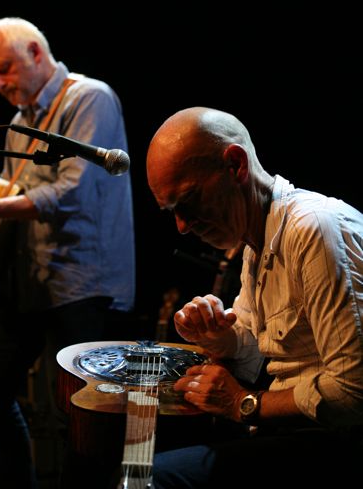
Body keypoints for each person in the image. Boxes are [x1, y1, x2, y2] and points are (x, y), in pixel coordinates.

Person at [0, 17, 135, 488]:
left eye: (4, 69)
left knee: (78, 418)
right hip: (26, 281)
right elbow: (17, 199)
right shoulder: (17, 123)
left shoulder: (89, 98)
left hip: (79, 283)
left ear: (34, 52)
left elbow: (74, 190)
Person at [146, 106, 363, 486]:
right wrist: (223, 338)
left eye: (188, 200)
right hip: (293, 434)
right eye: (171, 211)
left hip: (338, 443)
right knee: (137, 451)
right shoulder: (254, 241)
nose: (181, 226)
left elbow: (354, 392)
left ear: (235, 165)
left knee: (152, 478)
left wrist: (243, 403)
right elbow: (257, 354)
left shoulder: (314, 229)